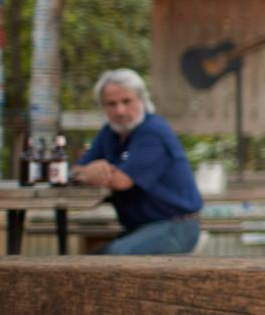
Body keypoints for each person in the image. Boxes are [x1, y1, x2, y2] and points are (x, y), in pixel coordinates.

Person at [73, 69, 204, 255]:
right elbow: (77, 169)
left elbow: (122, 181)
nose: (120, 111)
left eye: (126, 101)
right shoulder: (109, 132)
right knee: (91, 260)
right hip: (139, 227)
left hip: (176, 226)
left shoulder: (153, 130)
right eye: (111, 104)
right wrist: (86, 173)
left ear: (142, 100)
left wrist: (93, 172)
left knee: (113, 258)